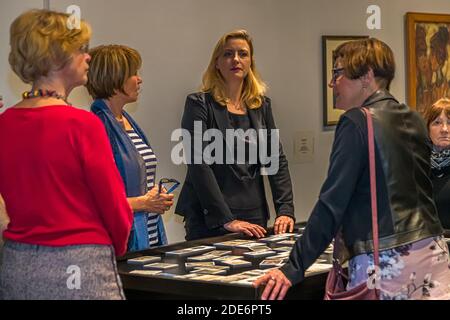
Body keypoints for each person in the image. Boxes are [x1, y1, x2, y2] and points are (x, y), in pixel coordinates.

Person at [254, 38, 450, 300]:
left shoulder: (356, 121)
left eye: (338, 72)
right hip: (432, 257)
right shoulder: (413, 118)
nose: (332, 83)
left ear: (366, 76)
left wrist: (292, 267)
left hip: (388, 266)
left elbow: (332, 203)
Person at [0, 9, 133, 300]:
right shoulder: (82, 125)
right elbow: (115, 208)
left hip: (17, 264)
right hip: (79, 264)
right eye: (81, 49)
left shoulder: (4, 124)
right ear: (56, 56)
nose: (88, 57)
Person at [175, 30, 295, 240]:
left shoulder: (261, 106)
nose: (236, 59)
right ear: (217, 63)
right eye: (228, 54)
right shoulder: (199, 104)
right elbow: (197, 163)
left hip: (254, 213)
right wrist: (225, 219)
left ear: (250, 63)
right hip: (210, 217)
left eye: (243, 54)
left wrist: (285, 209)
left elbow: (276, 160)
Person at [86, 45, 174, 251]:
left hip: (148, 234)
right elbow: (93, 202)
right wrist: (144, 203)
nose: (139, 79)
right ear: (115, 79)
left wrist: (154, 197)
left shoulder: (125, 121)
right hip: (123, 242)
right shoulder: (97, 126)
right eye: (133, 73)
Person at [423, 98, 450, 229]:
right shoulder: (418, 166)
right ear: (427, 128)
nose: (444, 129)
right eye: (437, 122)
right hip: (426, 246)